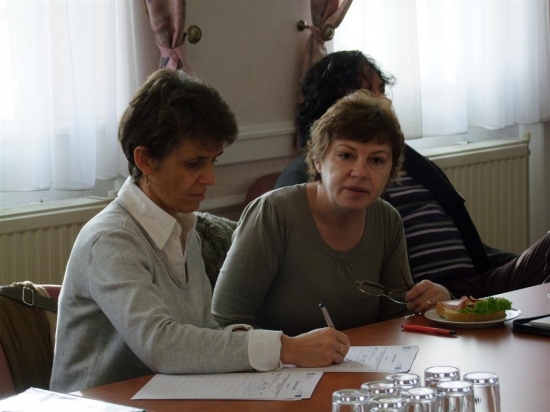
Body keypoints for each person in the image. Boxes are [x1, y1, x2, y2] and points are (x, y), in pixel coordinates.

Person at [50, 69, 350, 393]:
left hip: (164, 396)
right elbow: (160, 344)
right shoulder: (110, 240)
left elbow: (202, 331)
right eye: (194, 164)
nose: (210, 178)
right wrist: (285, 348)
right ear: (145, 160)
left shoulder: (182, 225)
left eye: (212, 161)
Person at [274, 50, 550, 299]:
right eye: (366, 91)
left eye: (381, 90)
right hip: (423, 297)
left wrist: (518, 263)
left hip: (479, 283)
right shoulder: (308, 176)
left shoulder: (411, 160)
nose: (382, 100)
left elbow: (468, 243)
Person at [212, 90, 451, 336]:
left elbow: (396, 319)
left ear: (391, 170)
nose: (360, 172)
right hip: (280, 360)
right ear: (318, 160)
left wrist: (435, 304)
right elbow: (225, 320)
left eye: (377, 160)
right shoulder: (274, 213)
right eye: (346, 156)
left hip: (364, 358)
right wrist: (289, 349)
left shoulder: (387, 219)